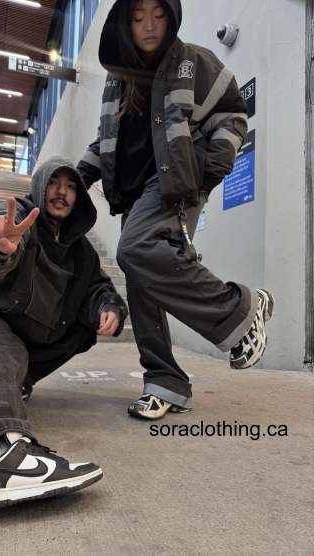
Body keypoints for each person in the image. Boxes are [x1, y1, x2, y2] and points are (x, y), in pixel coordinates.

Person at [77, 0, 274, 420]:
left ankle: (237, 309)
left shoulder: (193, 61)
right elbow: (105, 140)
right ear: (125, 23)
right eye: (138, 17)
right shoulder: (117, 79)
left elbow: (232, 114)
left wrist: (213, 163)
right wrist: (79, 177)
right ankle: (164, 381)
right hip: (134, 192)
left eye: (159, 14)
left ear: (171, 16)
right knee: (140, 276)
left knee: (132, 249)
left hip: (177, 181)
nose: (149, 25)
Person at [0, 156, 128, 514]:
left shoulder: (81, 252)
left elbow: (99, 287)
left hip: (18, 325)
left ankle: (17, 381)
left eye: (70, 186)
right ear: (41, 186)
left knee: (81, 331)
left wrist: (110, 307)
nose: (61, 192)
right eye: (54, 182)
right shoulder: (20, 217)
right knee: (2, 346)